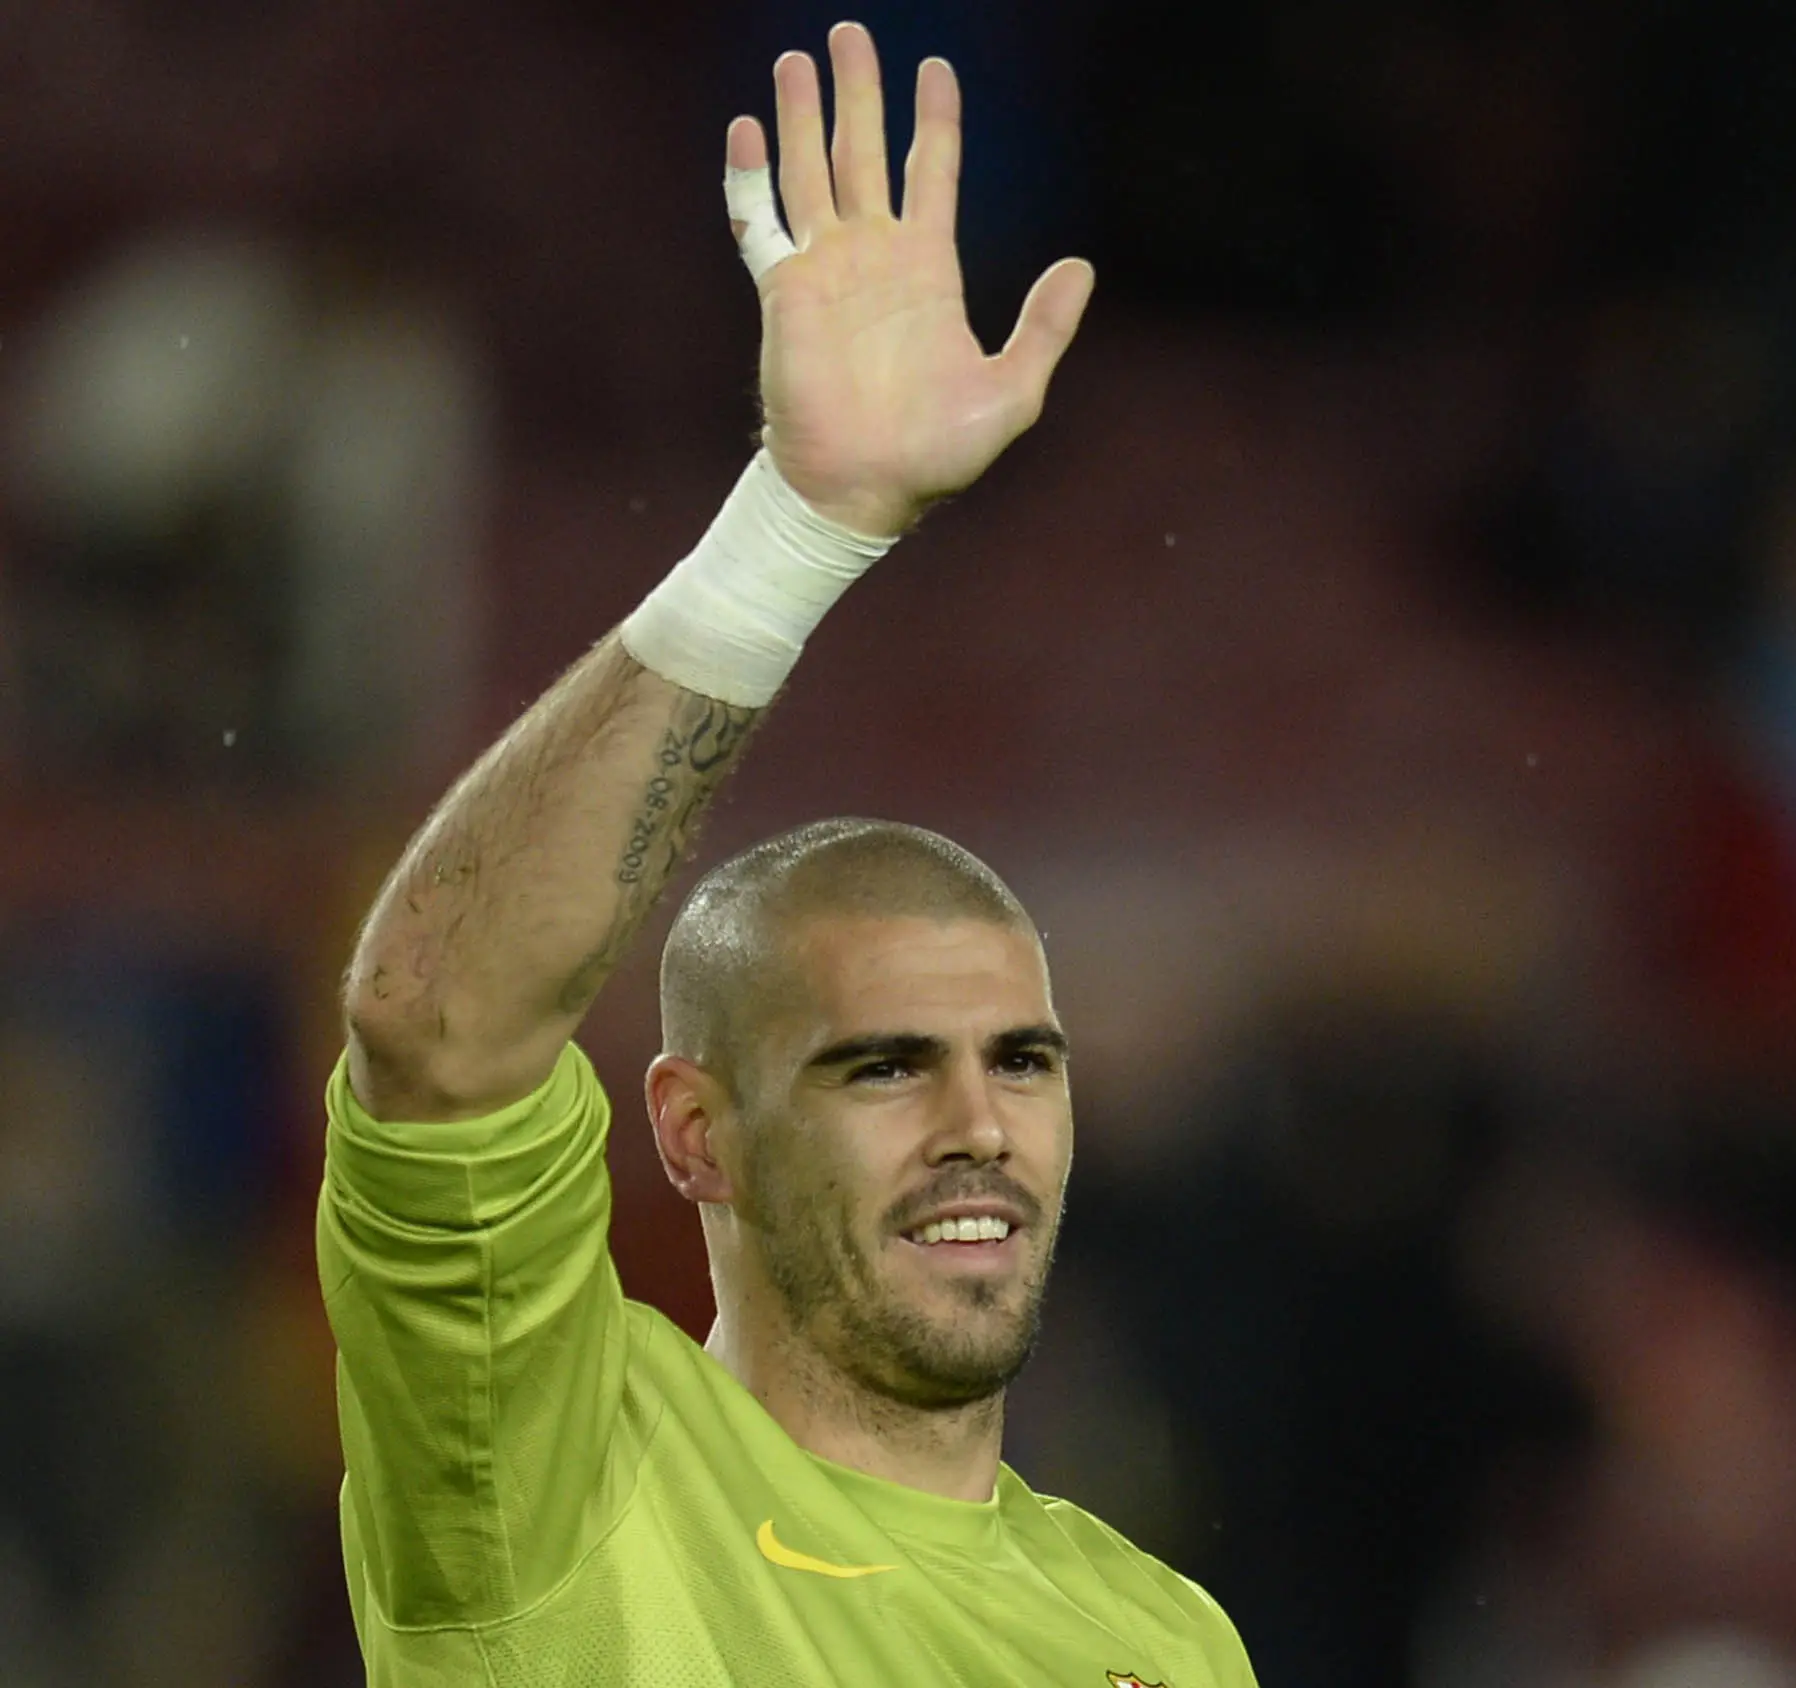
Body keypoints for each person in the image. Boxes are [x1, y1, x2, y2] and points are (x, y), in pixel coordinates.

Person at [317, 24, 1256, 1685]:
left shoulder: (1162, 1636)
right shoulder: (557, 1475)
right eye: (884, 1068)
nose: (982, 1129)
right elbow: (432, 1021)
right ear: (696, 1135)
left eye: (1021, 1062)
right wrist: (794, 533)